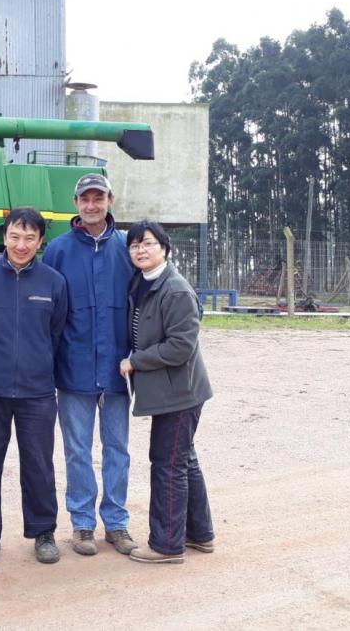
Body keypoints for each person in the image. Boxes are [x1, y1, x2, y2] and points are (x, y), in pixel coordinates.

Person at [0, 207, 68, 565]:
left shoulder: (54, 282)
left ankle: (43, 532)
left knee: (39, 463)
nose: (21, 244)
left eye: (29, 238)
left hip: (37, 391)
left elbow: (56, 333)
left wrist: (36, 363)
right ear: (4, 236)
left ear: (40, 241)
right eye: (14, 236)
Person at [41, 173, 137, 557]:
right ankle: (82, 524)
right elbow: (47, 311)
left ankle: (116, 523)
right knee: (77, 449)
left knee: (117, 447)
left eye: (99, 197)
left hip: (118, 367)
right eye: (85, 198)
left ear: (111, 200)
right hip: (74, 366)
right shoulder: (59, 250)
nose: (92, 204)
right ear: (76, 202)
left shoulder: (128, 247)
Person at [120, 220, 215, 564]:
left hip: (180, 394)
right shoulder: (145, 283)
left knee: (168, 464)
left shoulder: (175, 290)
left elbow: (180, 346)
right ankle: (199, 534)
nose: (140, 250)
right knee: (183, 460)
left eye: (147, 243)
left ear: (165, 248)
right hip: (173, 391)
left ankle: (167, 545)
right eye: (134, 245)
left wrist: (135, 361)